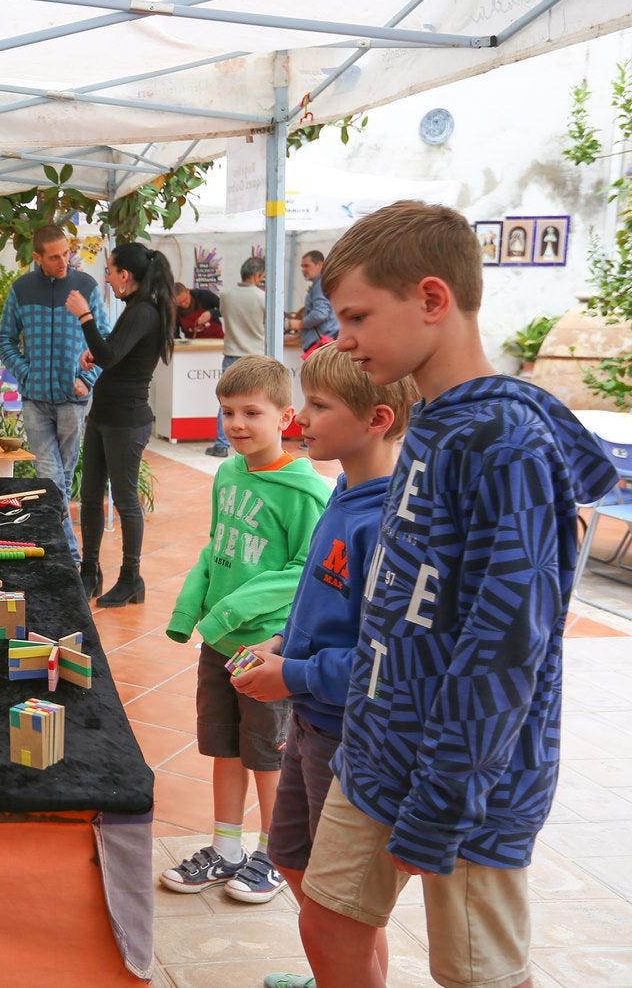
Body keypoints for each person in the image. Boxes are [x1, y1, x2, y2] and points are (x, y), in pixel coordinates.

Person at [300, 201, 619, 988]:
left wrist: (445, 797)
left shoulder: (508, 443)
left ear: (433, 300)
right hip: (380, 745)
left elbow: (507, 643)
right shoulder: (436, 416)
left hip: (470, 774)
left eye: (358, 316)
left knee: (477, 971)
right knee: (330, 916)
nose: (343, 339)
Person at [227, 345, 417, 987]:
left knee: (340, 912)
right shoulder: (343, 487)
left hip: (347, 734)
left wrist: (294, 675)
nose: (300, 418)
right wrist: (284, 643)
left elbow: (383, 661)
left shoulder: (390, 524)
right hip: (311, 722)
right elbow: (322, 598)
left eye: (318, 406)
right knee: (298, 866)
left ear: (378, 419)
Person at [161, 355, 331, 902]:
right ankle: (226, 848)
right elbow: (217, 546)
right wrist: (192, 613)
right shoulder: (229, 473)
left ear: (285, 418)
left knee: (268, 756)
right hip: (220, 642)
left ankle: (273, 853)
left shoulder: (306, 493)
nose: (236, 424)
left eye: (251, 412)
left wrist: (230, 614)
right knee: (225, 747)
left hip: (264, 647)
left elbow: (303, 570)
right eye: (228, 412)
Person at [64, 243, 176, 605]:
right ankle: (90, 572)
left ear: (125, 275)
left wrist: (85, 318)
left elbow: (112, 357)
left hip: (126, 422)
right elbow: (116, 350)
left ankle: (131, 578)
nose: (107, 278)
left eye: (110, 271)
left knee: (126, 501)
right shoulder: (135, 309)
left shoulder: (145, 311)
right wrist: (92, 349)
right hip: (105, 416)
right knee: (92, 497)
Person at [0, 225, 108, 560]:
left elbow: (103, 340)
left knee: (58, 477)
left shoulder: (85, 286)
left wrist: (86, 380)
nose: (64, 261)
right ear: (38, 257)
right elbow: (5, 340)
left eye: (67, 253)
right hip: (35, 400)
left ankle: (57, 550)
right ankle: (70, 556)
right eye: (55, 256)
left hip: (73, 400)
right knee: (49, 475)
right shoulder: (21, 289)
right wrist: (27, 373)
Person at [208, 255, 266, 457]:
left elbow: (224, 315)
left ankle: (221, 444)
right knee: (257, 402)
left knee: (227, 402)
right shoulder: (262, 297)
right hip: (255, 356)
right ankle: (257, 442)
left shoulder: (226, 295)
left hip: (232, 353)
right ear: (258, 276)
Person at [285, 250, 338, 353]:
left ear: (319, 264)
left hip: (321, 346)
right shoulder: (320, 284)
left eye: (306, 266)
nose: (303, 270)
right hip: (322, 344)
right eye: (302, 266)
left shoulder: (320, 285)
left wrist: (300, 324)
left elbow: (320, 314)